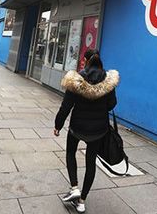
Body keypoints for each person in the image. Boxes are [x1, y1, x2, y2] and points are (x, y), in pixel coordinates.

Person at [54, 49, 119, 213]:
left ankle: (74, 186)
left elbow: (65, 107)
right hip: (98, 130)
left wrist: (58, 125)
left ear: (86, 61)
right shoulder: (108, 81)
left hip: (77, 128)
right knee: (91, 163)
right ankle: (82, 201)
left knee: (70, 153)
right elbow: (111, 105)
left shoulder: (77, 79)